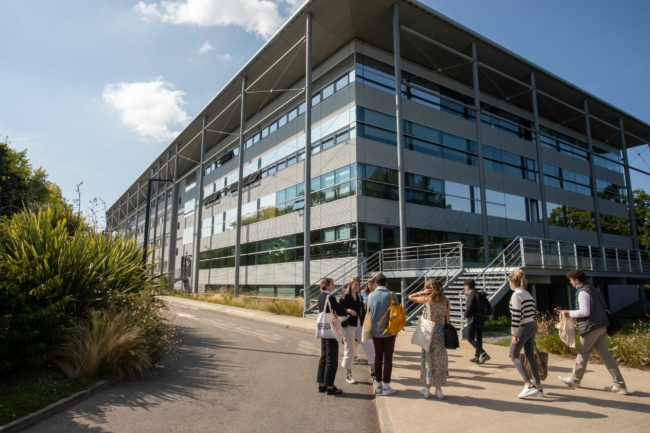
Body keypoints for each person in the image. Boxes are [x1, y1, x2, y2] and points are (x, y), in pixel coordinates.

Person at [559, 269, 628, 395]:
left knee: (582, 353)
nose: (570, 282)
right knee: (606, 356)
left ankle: (575, 380)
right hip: (602, 325)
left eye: (571, 280)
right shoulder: (593, 289)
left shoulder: (582, 292)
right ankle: (620, 385)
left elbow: (585, 312)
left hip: (591, 327)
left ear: (576, 280)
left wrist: (568, 313)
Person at [407, 278, 449, 400]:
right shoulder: (445, 301)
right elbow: (447, 318)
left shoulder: (427, 299)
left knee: (429, 360)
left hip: (429, 332)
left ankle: (426, 389)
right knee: (439, 361)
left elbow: (410, 297)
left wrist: (422, 292)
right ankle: (438, 390)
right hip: (440, 332)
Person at [507, 269, 544, 398]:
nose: (509, 284)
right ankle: (538, 386)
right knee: (530, 355)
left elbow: (517, 315)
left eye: (509, 282)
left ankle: (528, 384)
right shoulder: (527, 293)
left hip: (522, 326)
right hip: (531, 324)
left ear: (513, 282)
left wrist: (514, 334)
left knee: (513, 355)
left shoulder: (516, 295)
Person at [341, 277, 375, 383]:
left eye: (357, 284)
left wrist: (365, 324)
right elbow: (339, 310)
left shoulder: (359, 296)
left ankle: (373, 370)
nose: (356, 286)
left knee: (369, 344)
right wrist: (349, 310)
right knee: (349, 350)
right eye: (354, 284)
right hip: (348, 326)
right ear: (350, 285)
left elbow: (362, 312)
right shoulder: (346, 296)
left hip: (359, 325)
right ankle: (348, 373)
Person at [368, 273, 398, 396]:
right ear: (386, 283)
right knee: (388, 358)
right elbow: (396, 311)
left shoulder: (371, 295)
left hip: (375, 331)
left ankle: (379, 384)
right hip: (390, 330)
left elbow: (368, 311)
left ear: (375, 284)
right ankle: (386, 386)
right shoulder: (392, 294)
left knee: (378, 357)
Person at [316, 277, 346, 395]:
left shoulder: (320, 297)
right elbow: (340, 311)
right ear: (327, 285)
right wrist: (342, 298)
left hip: (323, 329)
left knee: (324, 356)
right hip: (331, 330)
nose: (334, 285)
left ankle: (321, 384)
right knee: (332, 358)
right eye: (332, 284)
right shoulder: (331, 297)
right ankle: (329, 386)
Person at [462, 279, 490, 364]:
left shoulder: (472, 295)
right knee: (478, 338)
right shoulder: (477, 294)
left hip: (473, 320)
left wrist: (465, 315)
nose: (465, 288)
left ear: (467, 286)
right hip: (480, 319)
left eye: (465, 286)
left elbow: (469, 308)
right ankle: (476, 356)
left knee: (470, 338)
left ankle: (483, 353)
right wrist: (468, 297)